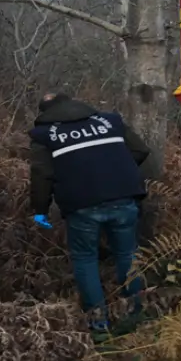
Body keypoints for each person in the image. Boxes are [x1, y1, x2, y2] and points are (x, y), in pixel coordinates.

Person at [27, 92, 151, 333]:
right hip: (124, 196)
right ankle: (137, 316)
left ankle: (99, 324)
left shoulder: (43, 135)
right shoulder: (110, 121)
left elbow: (42, 175)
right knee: (128, 254)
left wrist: (40, 210)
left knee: (86, 260)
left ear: (45, 113)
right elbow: (141, 150)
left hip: (81, 204)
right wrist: (114, 170)